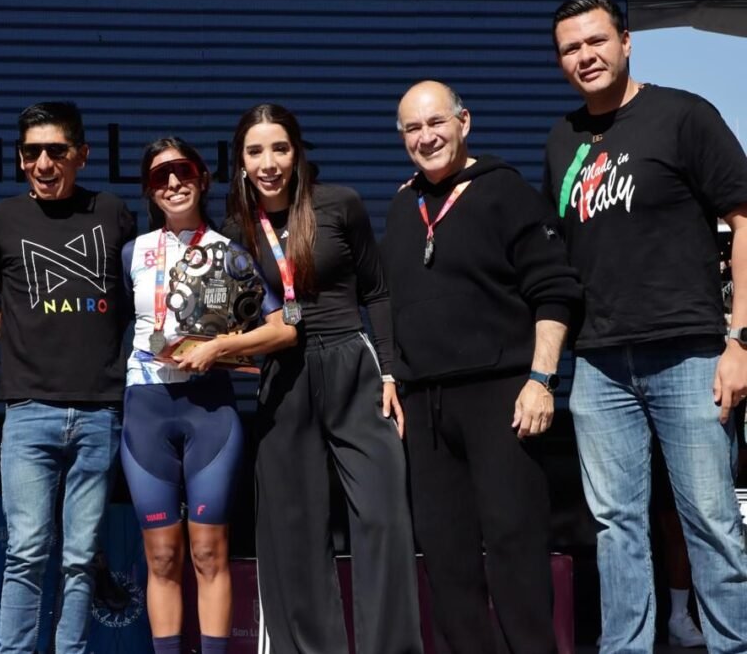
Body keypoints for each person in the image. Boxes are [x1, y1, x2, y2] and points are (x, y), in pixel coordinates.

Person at [544, 0, 747, 653]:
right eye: (571, 48)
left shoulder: (684, 115)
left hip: (689, 352)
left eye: (596, 41)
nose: (586, 56)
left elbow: (744, 221)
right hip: (599, 362)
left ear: (626, 42)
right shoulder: (561, 139)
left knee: (711, 520)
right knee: (615, 525)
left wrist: (739, 339)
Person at [381, 80, 582, 654]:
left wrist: (541, 380)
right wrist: (392, 372)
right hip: (425, 409)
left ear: (464, 122)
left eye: (436, 123)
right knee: (446, 561)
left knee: (516, 555)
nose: (426, 137)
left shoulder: (507, 193)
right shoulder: (402, 205)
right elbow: (389, 302)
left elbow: (555, 291)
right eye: (413, 129)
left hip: (502, 398)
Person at [222, 103, 422, 654]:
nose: (269, 163)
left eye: (279, 148)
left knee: (384, 516)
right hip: (284, 380)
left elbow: (377, 292)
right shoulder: (234, 228)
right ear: (240, 160)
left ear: (298, 152)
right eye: (255, 151)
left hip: (353, 365)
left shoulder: (339, 204)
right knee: (295, 530)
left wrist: (389, 371)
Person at [120, 137, 297, 654]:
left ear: (202, 179)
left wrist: (222, 345)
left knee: (209, 553)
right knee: (160, 558)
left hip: (210, 413)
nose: (172, 184)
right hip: (146, 411)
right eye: (159, 177)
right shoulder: (133, 252)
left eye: (182, 172)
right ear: (149, 191)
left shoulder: (230, 251)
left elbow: (283, 329)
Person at [0, 101, 137, 654]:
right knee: (26, 551)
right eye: (31, 153)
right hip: (28, 412)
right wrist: (21, 334)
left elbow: (133, 298)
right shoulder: (0, 220)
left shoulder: (114, 213)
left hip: (99, 410)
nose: (44, 163)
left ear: (82, 155)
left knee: (79, 557)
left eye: (56, 151)